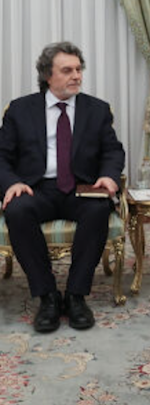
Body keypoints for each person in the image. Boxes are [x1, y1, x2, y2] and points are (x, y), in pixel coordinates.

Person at [0, 42, 125, 333]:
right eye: (67, 70)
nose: (76, 76)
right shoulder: (20, 110)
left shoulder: (96, 109)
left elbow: (113, 151)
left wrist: (109, 176)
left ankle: (76, 296)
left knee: (98, 209)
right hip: (36, 188)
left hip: (81, 187)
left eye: (78, 69)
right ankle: (47, 297)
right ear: (48, 75)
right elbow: (2, 156)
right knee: (17, 211)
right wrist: (12, 183)